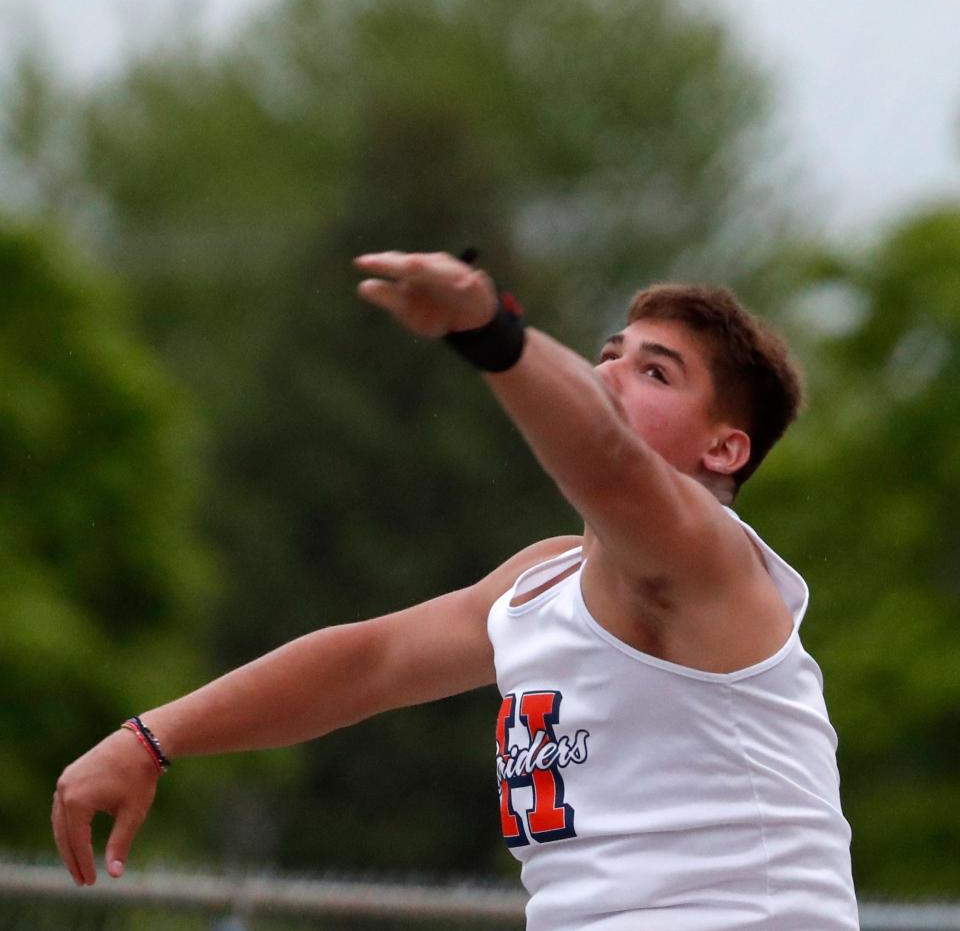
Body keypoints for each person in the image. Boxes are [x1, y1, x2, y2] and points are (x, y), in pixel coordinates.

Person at [52, 249, 859, 930]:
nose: (610, 372)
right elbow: (370, 662)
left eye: (654, 370)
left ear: (725, 447)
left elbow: (609, 457)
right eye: (609, 352)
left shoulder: (704, 560)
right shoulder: (540, 581)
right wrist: (152, 736)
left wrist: (491, 331)